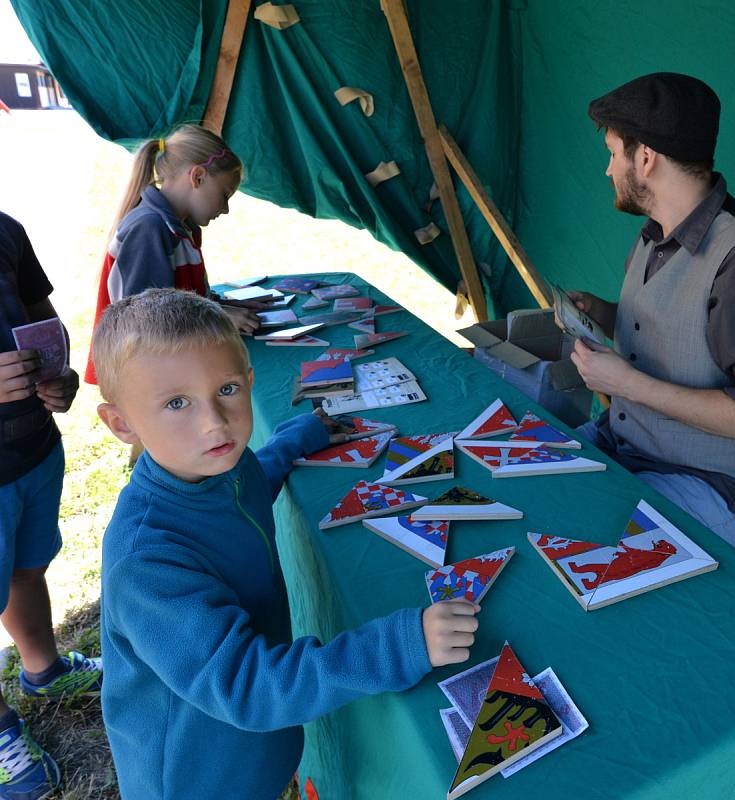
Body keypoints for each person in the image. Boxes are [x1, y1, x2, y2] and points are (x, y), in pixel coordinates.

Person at [92, 288, 480, 800]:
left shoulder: (220, 465)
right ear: (121, 424)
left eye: (227, 389)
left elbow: (253, 481)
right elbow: (248, 688)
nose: (214, 421)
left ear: (249, 381)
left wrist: (296, 438)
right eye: (177, 403)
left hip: (253, 760)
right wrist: (400, 646)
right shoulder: (147, 561)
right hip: (197, 781)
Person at [566, 72, 735, 552]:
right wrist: (601, 313)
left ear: (644, 157)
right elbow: (674, 329)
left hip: (711, 484)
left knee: (582, 551)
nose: (608, 170)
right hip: (629, 443)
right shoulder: (657, 228)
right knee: (529, 481)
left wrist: (625, 383)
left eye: (612, 153)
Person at [0, 211, 102, 800]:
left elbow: (42, 322)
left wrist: (58, 376)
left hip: (32, 448)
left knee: (24, 567)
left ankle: (43, 670)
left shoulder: (5, 228)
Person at [84, 124, 260, 385]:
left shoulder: (181, 226)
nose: (225, 209)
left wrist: (221, 306)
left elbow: (182, 298)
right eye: (224, 195)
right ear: (197, 177)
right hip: (145, 378)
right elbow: (146, 323)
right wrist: (217, 318)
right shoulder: (149, 228)